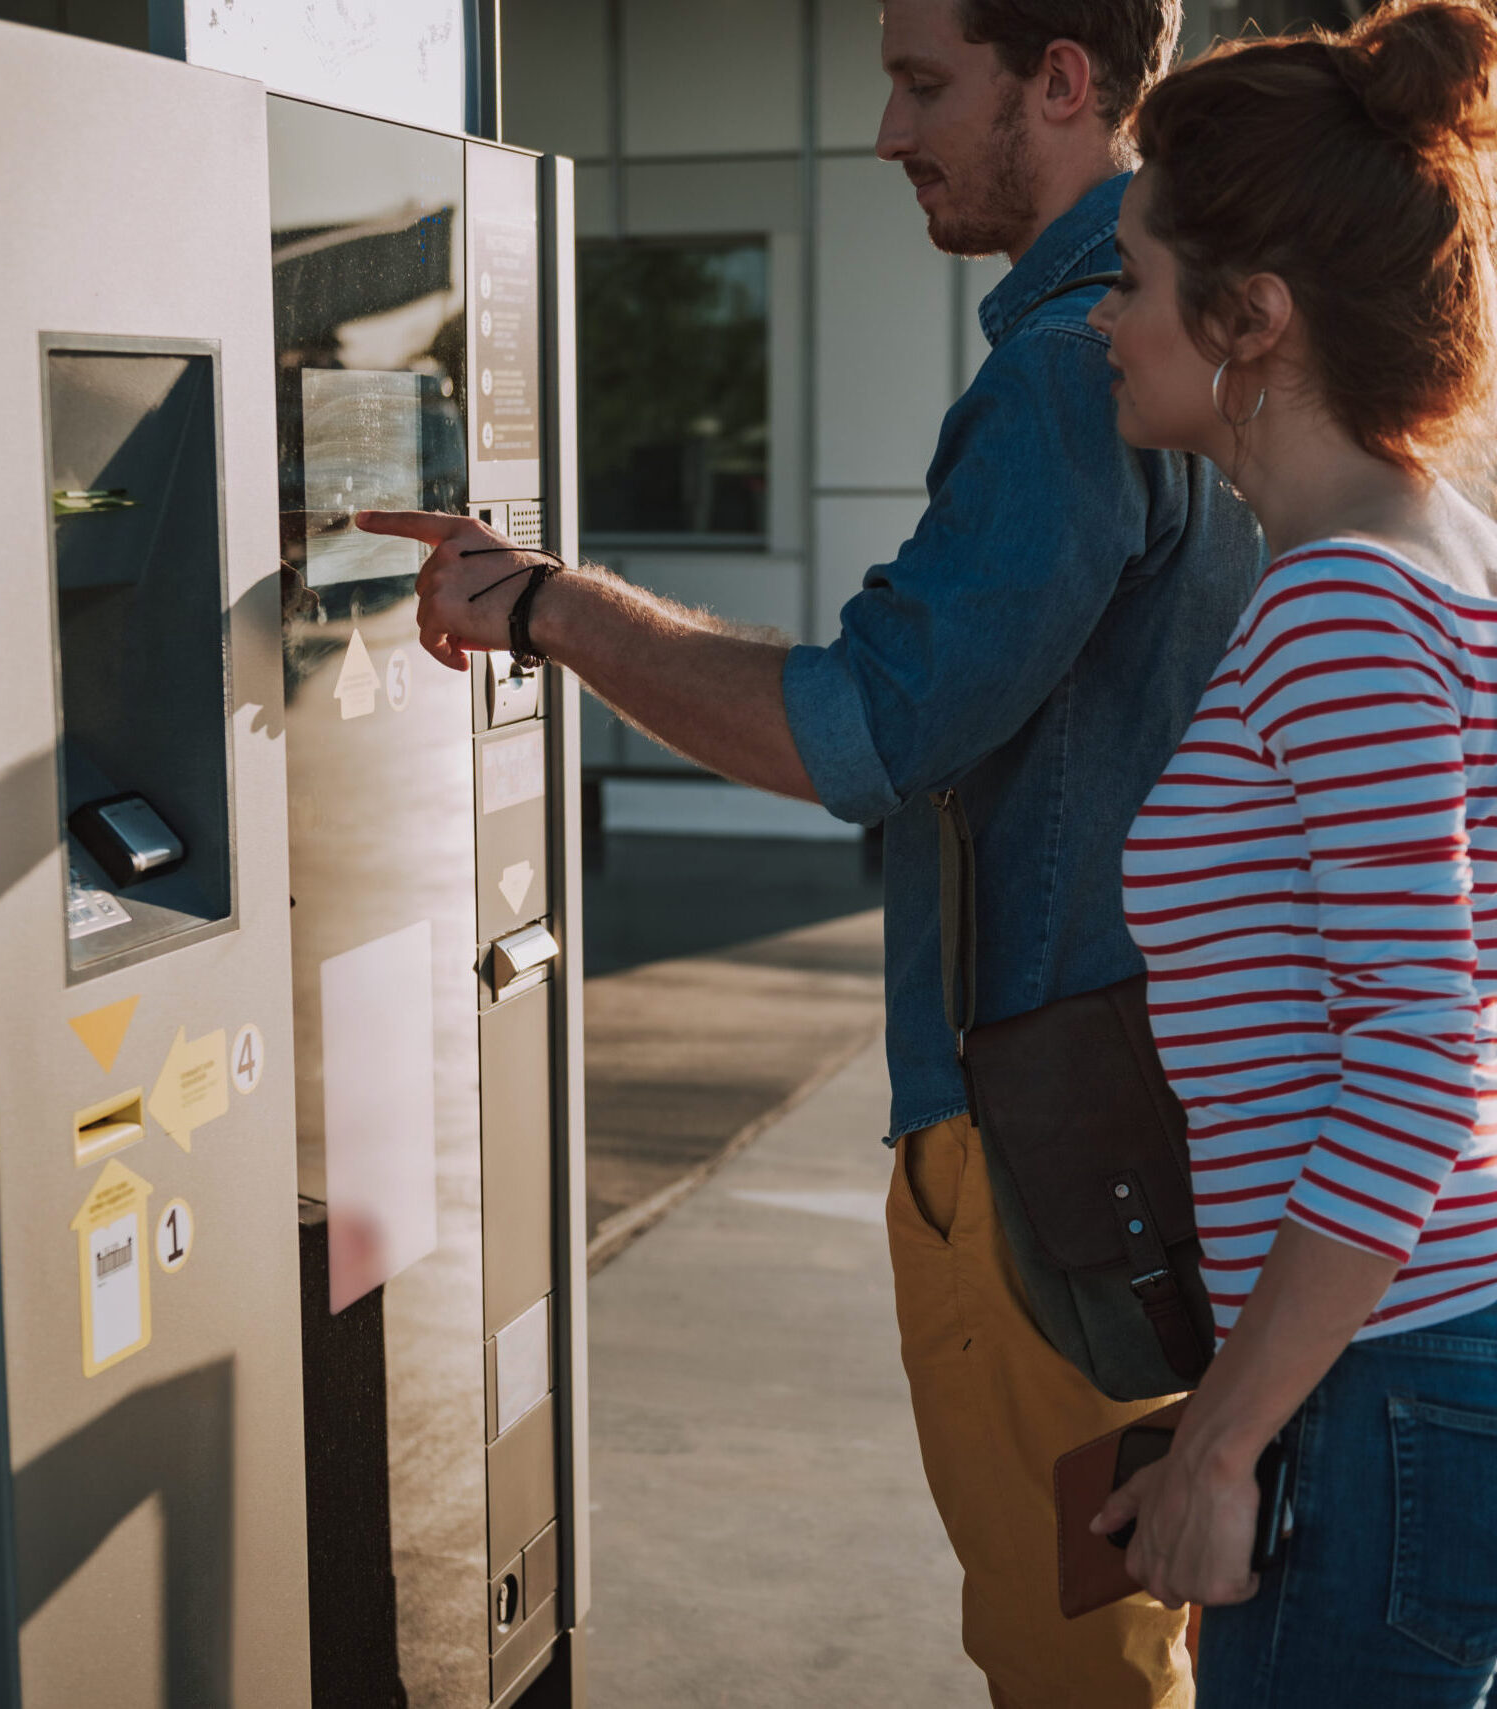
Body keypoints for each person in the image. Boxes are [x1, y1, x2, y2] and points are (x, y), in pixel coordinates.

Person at [361, 2, 1262, 1701]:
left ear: (1062, 82)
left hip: (1046, 1162)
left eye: (927, 85)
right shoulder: (1233, 338)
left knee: (1074, 1656)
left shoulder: (1075, 374)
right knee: (1150, 1629)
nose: (887, 134)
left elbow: (858, 728)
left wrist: (549, 604)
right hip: (1170, 1126)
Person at [1086, 3, 1497, 1703]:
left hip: (1381, 1383)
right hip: (1406, 1359)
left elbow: (1422, 1047)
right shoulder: (1443, 549)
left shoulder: (1340, 603)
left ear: (1249, 319)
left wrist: (1221, 1448)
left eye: (1126, 279)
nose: (1098, 324)